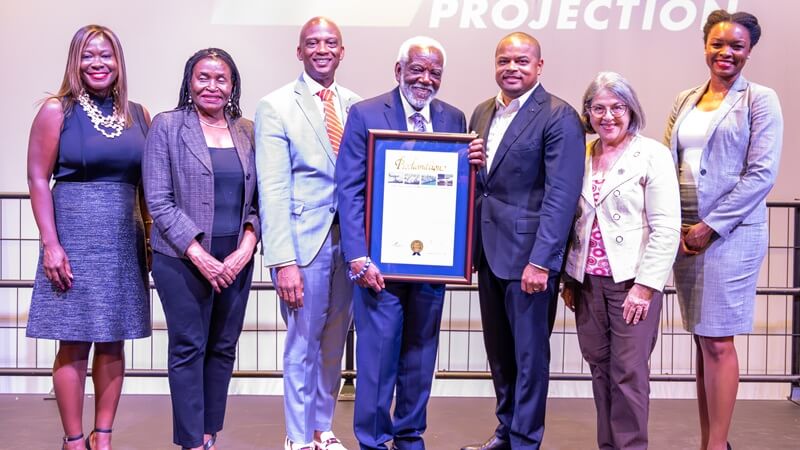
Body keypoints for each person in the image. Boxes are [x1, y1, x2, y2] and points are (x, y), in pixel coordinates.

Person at [335, 36, 485, 450]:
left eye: (434, 72)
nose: (425, 78)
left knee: (420, 356)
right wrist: (358, 256)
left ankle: (409, 434)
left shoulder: (454, 118)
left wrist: (477, 166)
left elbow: (464, 191)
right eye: (417, 69)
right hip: (377, 264)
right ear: (398, 70)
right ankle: (372, 439)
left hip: (432, 263)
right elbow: (349, 190)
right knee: (377, 358)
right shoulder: (365, 113)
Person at [25, 24, 151, 450]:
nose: (98, 63)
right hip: (74, 235)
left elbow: (149, 186)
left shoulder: (138, 114)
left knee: (113, 340)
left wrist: (152, 244)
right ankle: (74, 439)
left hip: (122, 238)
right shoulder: (55, 111)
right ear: (75, 62)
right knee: (74, 341)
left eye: (106, 55)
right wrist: (51, 243)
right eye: (88, 55)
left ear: (119, 63)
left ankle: (104, 437)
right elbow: (39, 179)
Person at [663, 10, 782, 450]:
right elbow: (666, 162)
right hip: (684, 232)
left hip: (729, 233)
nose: (725, 53)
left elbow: (761, 174)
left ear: (749, 51)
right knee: (702, 339)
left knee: (717, 341)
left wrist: (709, 227)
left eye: (736, 46)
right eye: (718, 44)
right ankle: (711, 441)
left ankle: (717, 446)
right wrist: (674, 225)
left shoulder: (760, 99)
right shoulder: (685, 98)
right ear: (705, 45)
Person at [461, 32, 585, 450]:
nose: (511, 68)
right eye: (504, 60)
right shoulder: (481, 112)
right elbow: (486, 185)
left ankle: (526, 440)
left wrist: (543, 261)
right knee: (500, 354)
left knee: (531, 358)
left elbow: (562, 196)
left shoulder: (559, 115)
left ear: (539, 66)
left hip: (530, 259)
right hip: (489, 254)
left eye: (521, 60)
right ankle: (505, 431)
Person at [143, 48, 260, 450]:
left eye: (221, 78)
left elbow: (259, 202)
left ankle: (211, 433)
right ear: (189, 82)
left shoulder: (247, 130)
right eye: (203, 77)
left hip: (236, 259)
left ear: (233, 85)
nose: (212, 86)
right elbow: (158, 199)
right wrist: (200, 255)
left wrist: (246, 247)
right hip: (180, 258)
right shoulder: (168, 126)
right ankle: (191, 440)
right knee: (189, 346)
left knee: (223, 347)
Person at [255, 16, 360, 450]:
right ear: (299, 51)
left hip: (350, 242)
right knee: (302, 343)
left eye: (330, 42)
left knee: (335, 343)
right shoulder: (275, 105)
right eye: (312, 42)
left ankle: (322, 428)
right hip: (304, 245)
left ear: (341, 51)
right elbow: (273, 187)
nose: (322, 49)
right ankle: (297, 435)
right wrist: (283, 260)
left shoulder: (357, 105)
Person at [561, 72, 680, 450]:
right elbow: (572, 221)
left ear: (631, 110)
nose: (607, 116)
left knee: (628, 374)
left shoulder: (653, 155)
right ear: (587, 113)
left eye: (617, 107)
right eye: (598, 108)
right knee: (599, 369)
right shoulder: (579, 155)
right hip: (587, 283)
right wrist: (569, 279)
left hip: (631, 283)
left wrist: (645, 288)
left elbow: (666, 228)